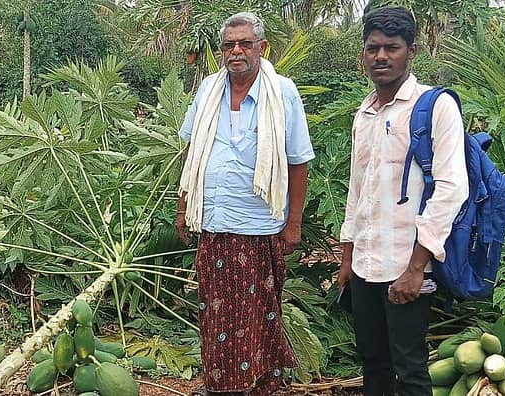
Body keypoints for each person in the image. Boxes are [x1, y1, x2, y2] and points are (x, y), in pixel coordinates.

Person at [176, 11, 315, 396]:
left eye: (244, 44)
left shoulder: (282, 92)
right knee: (214, 311)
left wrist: (294, 223)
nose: (235, 51)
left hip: (258, 225)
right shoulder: (208, 90)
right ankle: (220, 384)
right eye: (228, 45)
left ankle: (260, 383)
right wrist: (183, 203)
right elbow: (191, 149)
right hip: (215, 220)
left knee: (259, 312)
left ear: (262, 47)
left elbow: (298, 160)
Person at [338, 7, 469, 396]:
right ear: (363, 53)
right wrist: (347, 260)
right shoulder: (364, 114)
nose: (381, 57)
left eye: (391, 48)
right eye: (373, 48)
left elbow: (451, 189)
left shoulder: (435, 106)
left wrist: (416, 267)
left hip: (408, 265)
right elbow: (356, 191)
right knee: (372, 362)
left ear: (411, 52)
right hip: (365, 264)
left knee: (410, 367)